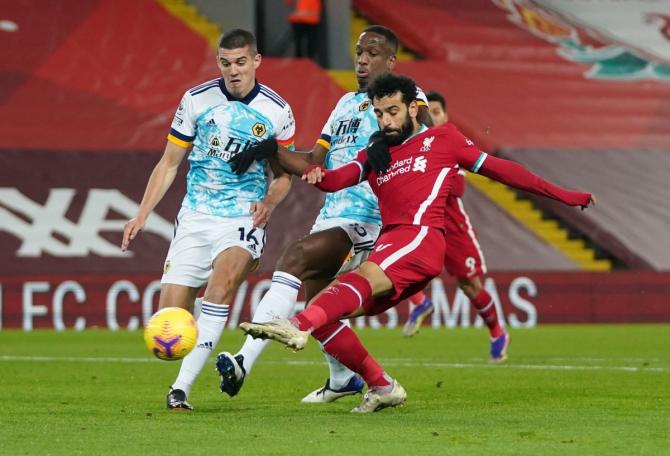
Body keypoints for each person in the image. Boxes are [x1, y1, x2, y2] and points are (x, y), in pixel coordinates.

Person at [240, 72, 595, 413]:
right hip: (392, 246)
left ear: (413, 108)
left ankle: (298, 325)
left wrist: (564, 195)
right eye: (379, 114)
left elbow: (501, 170)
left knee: (337, 296)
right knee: (328, 314)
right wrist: (313, 174)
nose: (386, 121)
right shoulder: (375, 154)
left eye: (393, 111)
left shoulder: (444, 140)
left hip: (422, 238)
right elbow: (335, 180)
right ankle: (382, 386)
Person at [215, 25, 434, 404]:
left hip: (370, 218)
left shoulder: (407, 96)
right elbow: (314, 163)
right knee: (321, 311)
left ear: (391, 61)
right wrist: (270, 149)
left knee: (295, 257)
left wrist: (391, 146)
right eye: (359, 51)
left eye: (373, 52)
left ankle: (242, 361)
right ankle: (356, 380)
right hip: (333, 213)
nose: (362, 59)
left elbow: (429, 143)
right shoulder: (346, 105)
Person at [120, 29, 295, 411]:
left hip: (242, 216)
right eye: (226, 62)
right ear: (219, 62)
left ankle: (180, 390)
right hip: (196, 217)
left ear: (256, 61)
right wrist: (142, 213)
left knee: (220, 287)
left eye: (241, 62)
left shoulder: (276, 110)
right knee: (170, 327)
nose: (233, 71)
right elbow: (169, 163)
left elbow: (284, 173)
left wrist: (268, 202)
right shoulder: (197, 100)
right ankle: (183, 366)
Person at [401, 90, 508, 365]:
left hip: (452, 225)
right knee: (399, 266)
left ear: (445, 116)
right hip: (423, 223)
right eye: (429, 111)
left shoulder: (451, 140)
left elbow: (457, 186)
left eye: (437, 112)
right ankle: (419, 303)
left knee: (470, 285)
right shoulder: (413, 141)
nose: (432, 116)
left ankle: (497, 332)